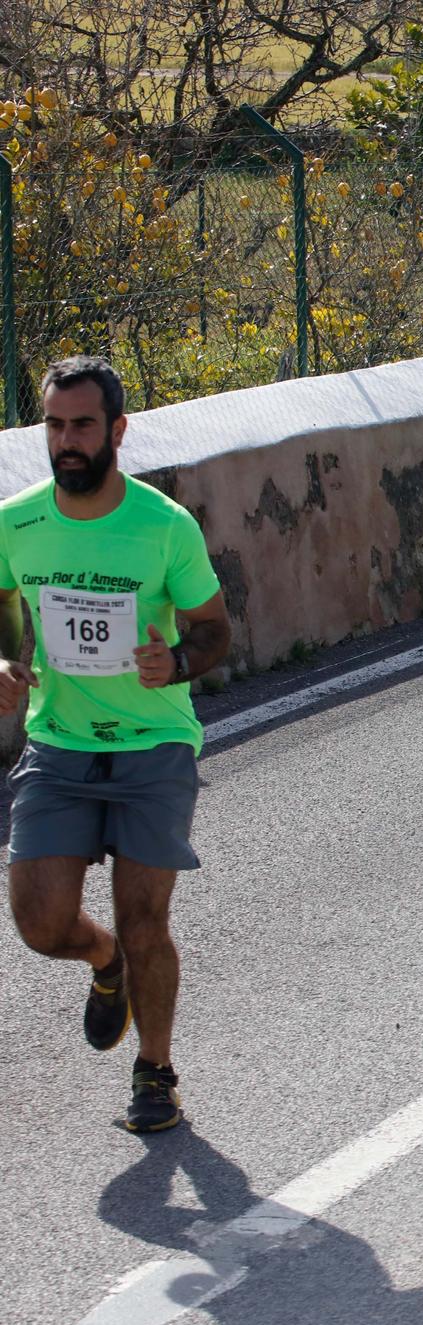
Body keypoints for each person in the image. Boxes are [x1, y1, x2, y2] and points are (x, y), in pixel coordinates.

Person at [1, 356, 232, 1133]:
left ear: (118, 430)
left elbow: (214, 630)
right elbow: (3, 604)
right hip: (60, 745)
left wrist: (180, 661)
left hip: (153, 743)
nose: (67, 441)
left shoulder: (164, 526)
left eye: (83, 425)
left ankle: (155, 1072)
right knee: (39, 921)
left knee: (146, 917)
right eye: (56, 425)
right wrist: (4, 659)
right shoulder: (18, 521)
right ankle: (106, 965)